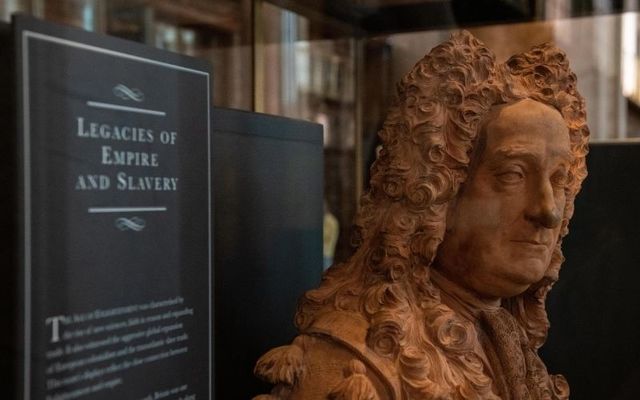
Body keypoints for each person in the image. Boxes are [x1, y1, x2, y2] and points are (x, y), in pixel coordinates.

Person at [254, 31, 589, 400]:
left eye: (558, 180)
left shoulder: (505, 338)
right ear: (439, 191)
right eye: (513, 175)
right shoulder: (356, 366)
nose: (548, 211)